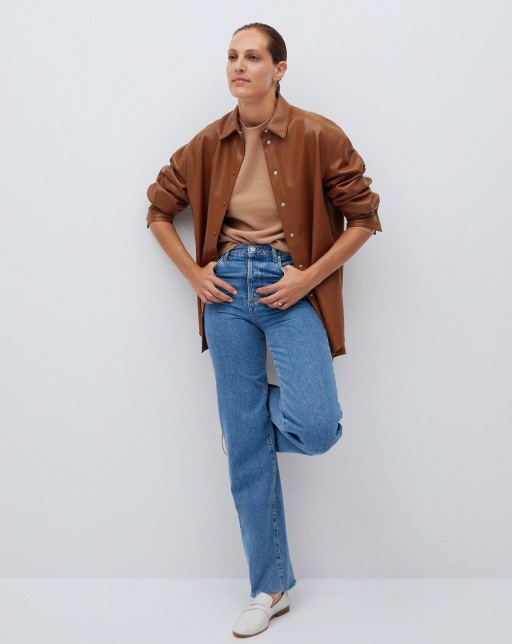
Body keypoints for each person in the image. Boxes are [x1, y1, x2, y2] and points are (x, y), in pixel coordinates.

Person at [145, 22, 381, 638]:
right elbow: (158, 210)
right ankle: (269, 587)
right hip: (225, 291)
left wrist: (309, 279)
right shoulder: (208, 142)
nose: (238, 66)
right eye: (232, 56)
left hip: (287, 285)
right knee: (249, 453)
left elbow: (363, 217)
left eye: (252, 57)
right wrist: (193, 274)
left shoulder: (317, 134)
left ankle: (244, 427)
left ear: (279, 69)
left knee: (318, 427)